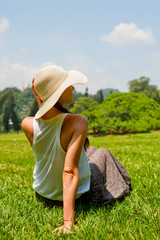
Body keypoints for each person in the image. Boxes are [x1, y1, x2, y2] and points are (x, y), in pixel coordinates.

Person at [22, 65, 131, 234]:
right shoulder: (77, 122)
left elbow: (46, 121)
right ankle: (124, 185)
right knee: (102, 152)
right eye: (68, 85)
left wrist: (40, 96)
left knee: (90, 149)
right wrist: (68, 222)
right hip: (80, 197)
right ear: (58, 94)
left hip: (44, 196)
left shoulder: (28, 124)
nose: (73, 87)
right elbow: (69, 171)